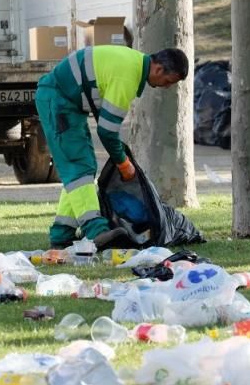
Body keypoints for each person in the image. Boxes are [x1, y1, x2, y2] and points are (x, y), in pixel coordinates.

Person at [35, 45, 189, 249]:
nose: (166, 86)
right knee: (78, 167)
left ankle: (62, 233)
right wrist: (123, 163)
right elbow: (107, 131)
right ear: (159, 69)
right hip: (58, 101)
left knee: (82, 171)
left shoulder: (132, 63)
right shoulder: (128, 77)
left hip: (64, 102)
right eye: (168, 82)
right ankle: (96, 230)